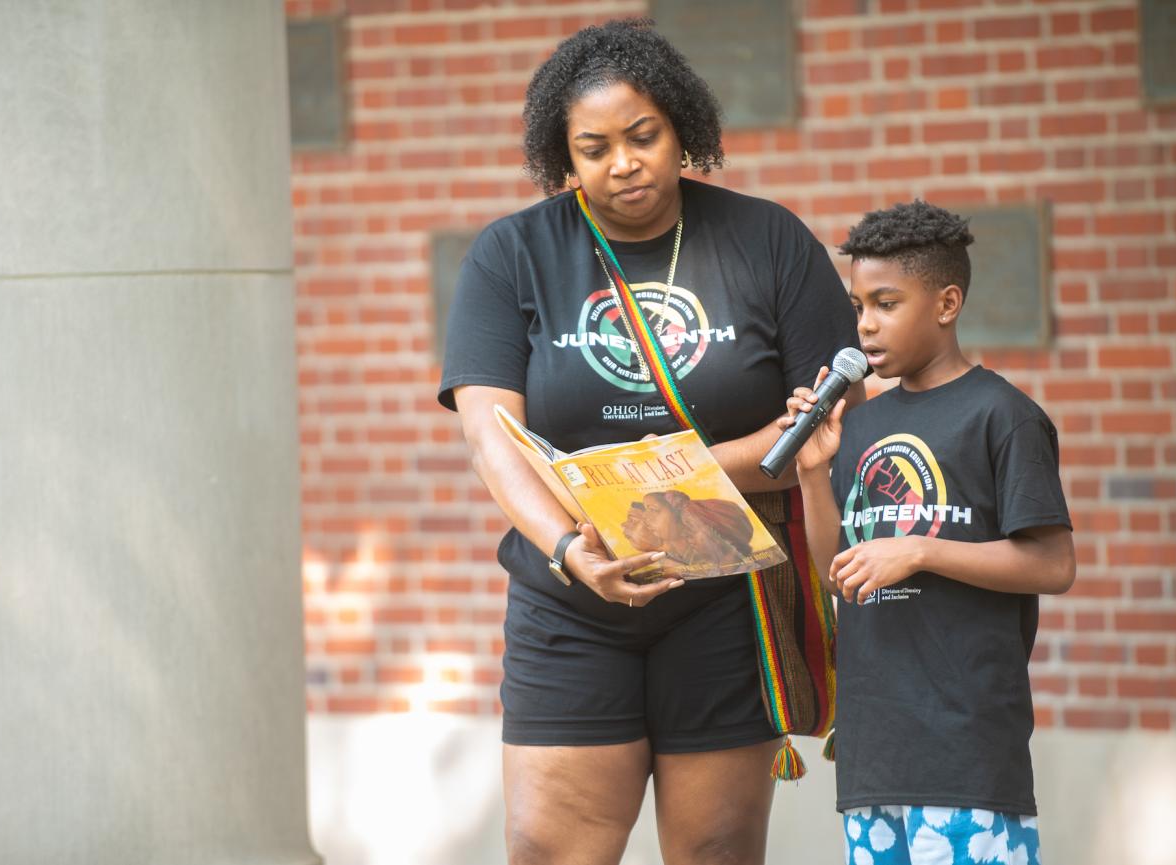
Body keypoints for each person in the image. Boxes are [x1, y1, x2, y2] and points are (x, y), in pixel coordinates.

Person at [438, 18, 860, 865]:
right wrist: (564, 547)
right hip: (572, 599)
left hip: (728, 598)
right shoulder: (512, 255)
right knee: (550, 850)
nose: (622, 163)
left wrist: (733, 463)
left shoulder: (768, 241)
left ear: (682, 129)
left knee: (715, 852)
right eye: (593, 148)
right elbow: (493, 438)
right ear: (564, 155)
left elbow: (824, 424)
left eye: (643, 136)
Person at [781, 200, 1075, 865]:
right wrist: (811, 472)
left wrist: (920, 551)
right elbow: (840, 575)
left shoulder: (1002, 415)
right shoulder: (857, 425)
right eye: (858, 306)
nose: (865, 325)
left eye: (886, 303)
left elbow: (1054, 563)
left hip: (965, 752)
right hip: (873, 754)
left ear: (946, 303)